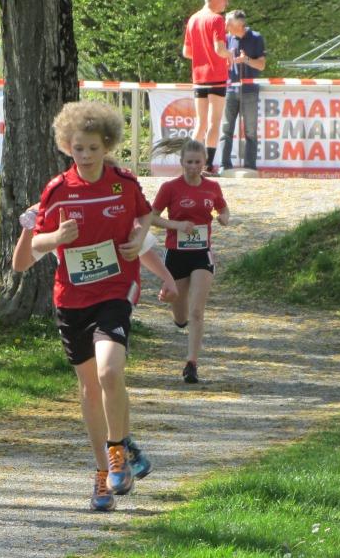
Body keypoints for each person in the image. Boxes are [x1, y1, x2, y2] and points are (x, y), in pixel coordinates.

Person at [31, 100, 153, 512]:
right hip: (72, 297)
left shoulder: (123, 183)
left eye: (93, 148)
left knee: (109, 371)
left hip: (115, 288)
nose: (85, 156)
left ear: (108, 145)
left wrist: (138, 238)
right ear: (67, 145)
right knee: (89, 389)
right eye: (78, 148)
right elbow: (37, 241)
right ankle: (102, 473)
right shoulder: (58, 190)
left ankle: (118, 451)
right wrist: (56, 239)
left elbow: (145, 215)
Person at [150, 137, 231, 384]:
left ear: (205, 162)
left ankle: (191, 363)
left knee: (197, 311)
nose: (193, 167)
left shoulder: (212, 187)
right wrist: (176, 225)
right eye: (189, 162)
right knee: (181, 313)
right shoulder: (169, 188)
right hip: (176, 253)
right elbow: (152, 217)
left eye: (198, 162)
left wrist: (224, 218)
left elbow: (223, 209)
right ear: (182, 162)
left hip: (201, 253)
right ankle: (180, 319)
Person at [13, 203, 179, 303]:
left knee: (110, 348)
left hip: (115, 297)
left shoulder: (116, 211)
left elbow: (142, 250)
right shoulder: (53, 213)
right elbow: (20, 264)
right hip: (74, 301)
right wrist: (30, 225)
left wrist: (168, 278)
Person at [183, 0, 233, 173]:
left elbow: (187, 52)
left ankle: (190, 163)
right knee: (214, 123)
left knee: (200, 123)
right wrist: (229, 55)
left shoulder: (193, 19)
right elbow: (220, 49)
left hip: (199, 77)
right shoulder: (216, 19)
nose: (226, 3)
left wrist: (202, 54)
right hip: (216, 76)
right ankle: (207, 165)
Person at [219, 9, 266, 172]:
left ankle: (250, 167)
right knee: (226, 129)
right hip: (230, 89)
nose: (225, 26)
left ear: (239, 25)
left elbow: (261, 65)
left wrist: (245, 60)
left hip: (249, 91)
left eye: (228, 23)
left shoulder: (256, 38)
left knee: (250, 131)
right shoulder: (227, 38)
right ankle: (224, 165)